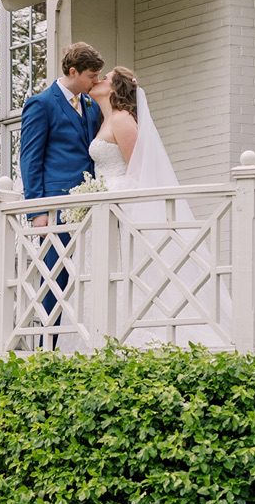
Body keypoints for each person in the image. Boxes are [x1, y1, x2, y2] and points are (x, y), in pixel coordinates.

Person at [87, 66, 224, 345]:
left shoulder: (123, 120)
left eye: (107, 77)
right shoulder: (105, 119)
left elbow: (138, 169)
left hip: (118, 205)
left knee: (128, 272)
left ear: (114, 88)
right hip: (102, 205)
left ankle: (133, 337)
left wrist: (114, 195)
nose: (99, 79)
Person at [19, 42, 105, 338]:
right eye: (91, 76)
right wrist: (37, 211)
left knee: (88, 272)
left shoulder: (91, 106)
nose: (96, 81)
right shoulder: (41, 104)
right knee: (55, 274)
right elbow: (30, 158)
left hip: (90, 202)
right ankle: (49, 343)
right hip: (55, 206)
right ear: (73, 71)